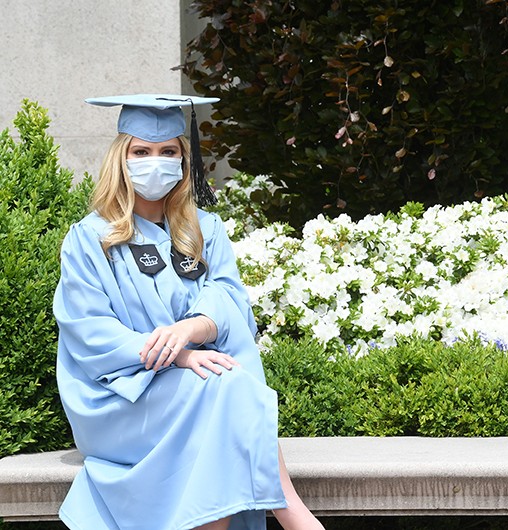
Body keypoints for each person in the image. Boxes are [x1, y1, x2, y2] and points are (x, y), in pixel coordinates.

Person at [54, 94, 326, 530]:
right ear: (119, 159)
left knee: (220, 386)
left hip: (197, 382)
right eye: (140, 152)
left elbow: (229, 298)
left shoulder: (206, 230)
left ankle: (282, 505)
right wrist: (172, 353)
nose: (154, 162)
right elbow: (87, 328)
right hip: (123, 397)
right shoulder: (90, 239)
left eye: (168, 152)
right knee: (223, 385)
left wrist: (195, 328)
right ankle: (288, 506)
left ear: (184, 160)